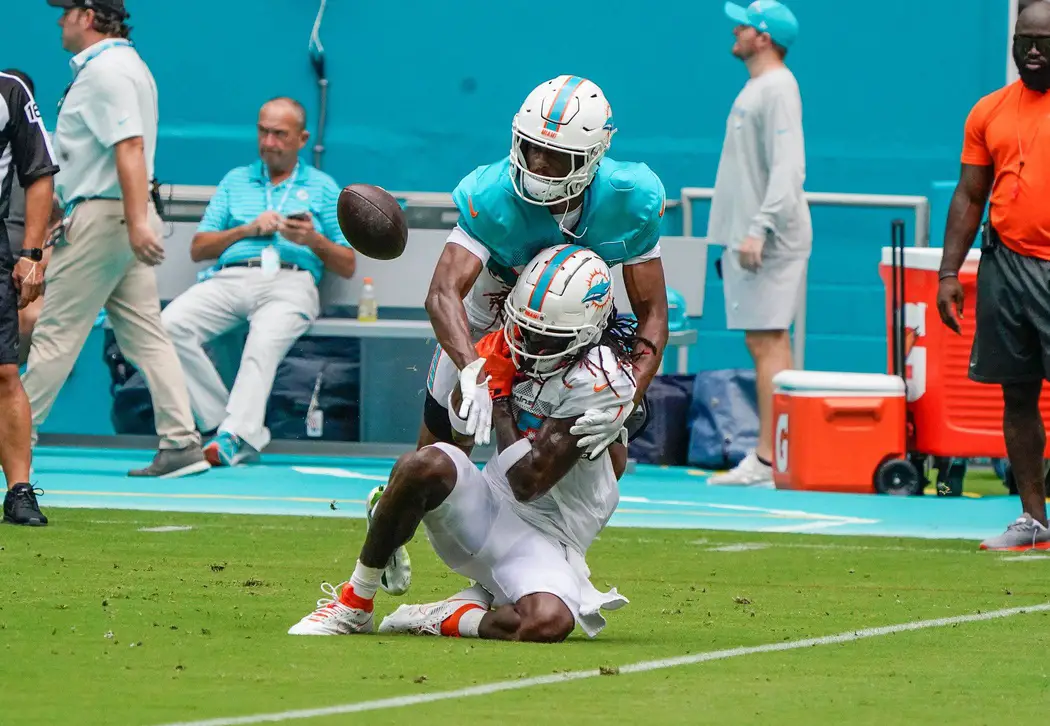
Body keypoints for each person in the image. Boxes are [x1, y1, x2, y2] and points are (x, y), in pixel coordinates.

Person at [364, 75, 670, 596]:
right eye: (531, 149)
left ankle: (543, 555)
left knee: (604, 451)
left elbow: (652, 311)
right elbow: (443, 293)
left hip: (575, 332)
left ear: (594, 156)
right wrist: (470, 367)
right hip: (486, 323)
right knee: (439, 452)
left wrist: (629, 394)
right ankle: (386, 524)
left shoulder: (631, 197)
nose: (539, 168)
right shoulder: (493, 191)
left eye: (557, 158)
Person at [289, 245, 637, 641]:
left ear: (589, 333)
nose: (532, 343)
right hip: (486, 507)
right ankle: (355, 601)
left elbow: (528, 482)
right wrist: (473, 383)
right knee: (425, 463)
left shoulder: (601, 380)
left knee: (547, 622)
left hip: (550, 538)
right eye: (527, 327)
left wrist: (502, 398)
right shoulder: (503, 341)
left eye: (549, 336)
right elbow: (462, 436)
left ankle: (445, 615)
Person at [26, 0, 209, 478]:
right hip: (118, 217)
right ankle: (182, 442)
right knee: (146, 334)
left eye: (65, 11)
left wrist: (135, 220)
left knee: (55, 334)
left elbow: (128, 147)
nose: (58, 20)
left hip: (105, 218)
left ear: (88, 17)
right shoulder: (126, 67)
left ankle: (14, 434)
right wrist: (137, 219)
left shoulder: (106, 72)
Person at [161, 97, 355, 467]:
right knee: (167, 327)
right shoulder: (236, 180)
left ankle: (232, 434)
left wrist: (311, 240)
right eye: (263, 132)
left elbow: (347, 263)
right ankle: (224, 423)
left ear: (302, 138)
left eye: (280, 134)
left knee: (262, 342)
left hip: (291, 282)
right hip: (231, 277)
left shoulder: (323, 186)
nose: (269, 142)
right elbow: (199, 247)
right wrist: (247, 229)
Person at [939, 1, 1050, 551]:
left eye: (1044, 40)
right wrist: (947, 273)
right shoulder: (990, 110)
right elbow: (969, 194)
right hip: (1008, 265)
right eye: (1023, 39)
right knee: (1017, 393)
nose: (1032, 50)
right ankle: (1034, 518)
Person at [706, 0, 811, 486]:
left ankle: (770, 460)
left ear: (764, 38)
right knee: (765, 341)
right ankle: (776, 457)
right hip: (751, 237)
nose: (736, 30)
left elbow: (789, 168)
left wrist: (759, 228)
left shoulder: (779, 88)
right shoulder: (759, 87)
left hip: (768, 240)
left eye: (744, 25)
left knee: (769, 342)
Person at [0, 69, 59, 526]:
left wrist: (32, 256)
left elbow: (39, 174)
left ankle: (19, 492)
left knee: (4, 374)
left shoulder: (10, 92)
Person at [2, 69, 53, 369]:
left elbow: (64, 221)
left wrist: (34, 260)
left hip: (23, 265)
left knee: (30, 318)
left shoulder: (43, 155)